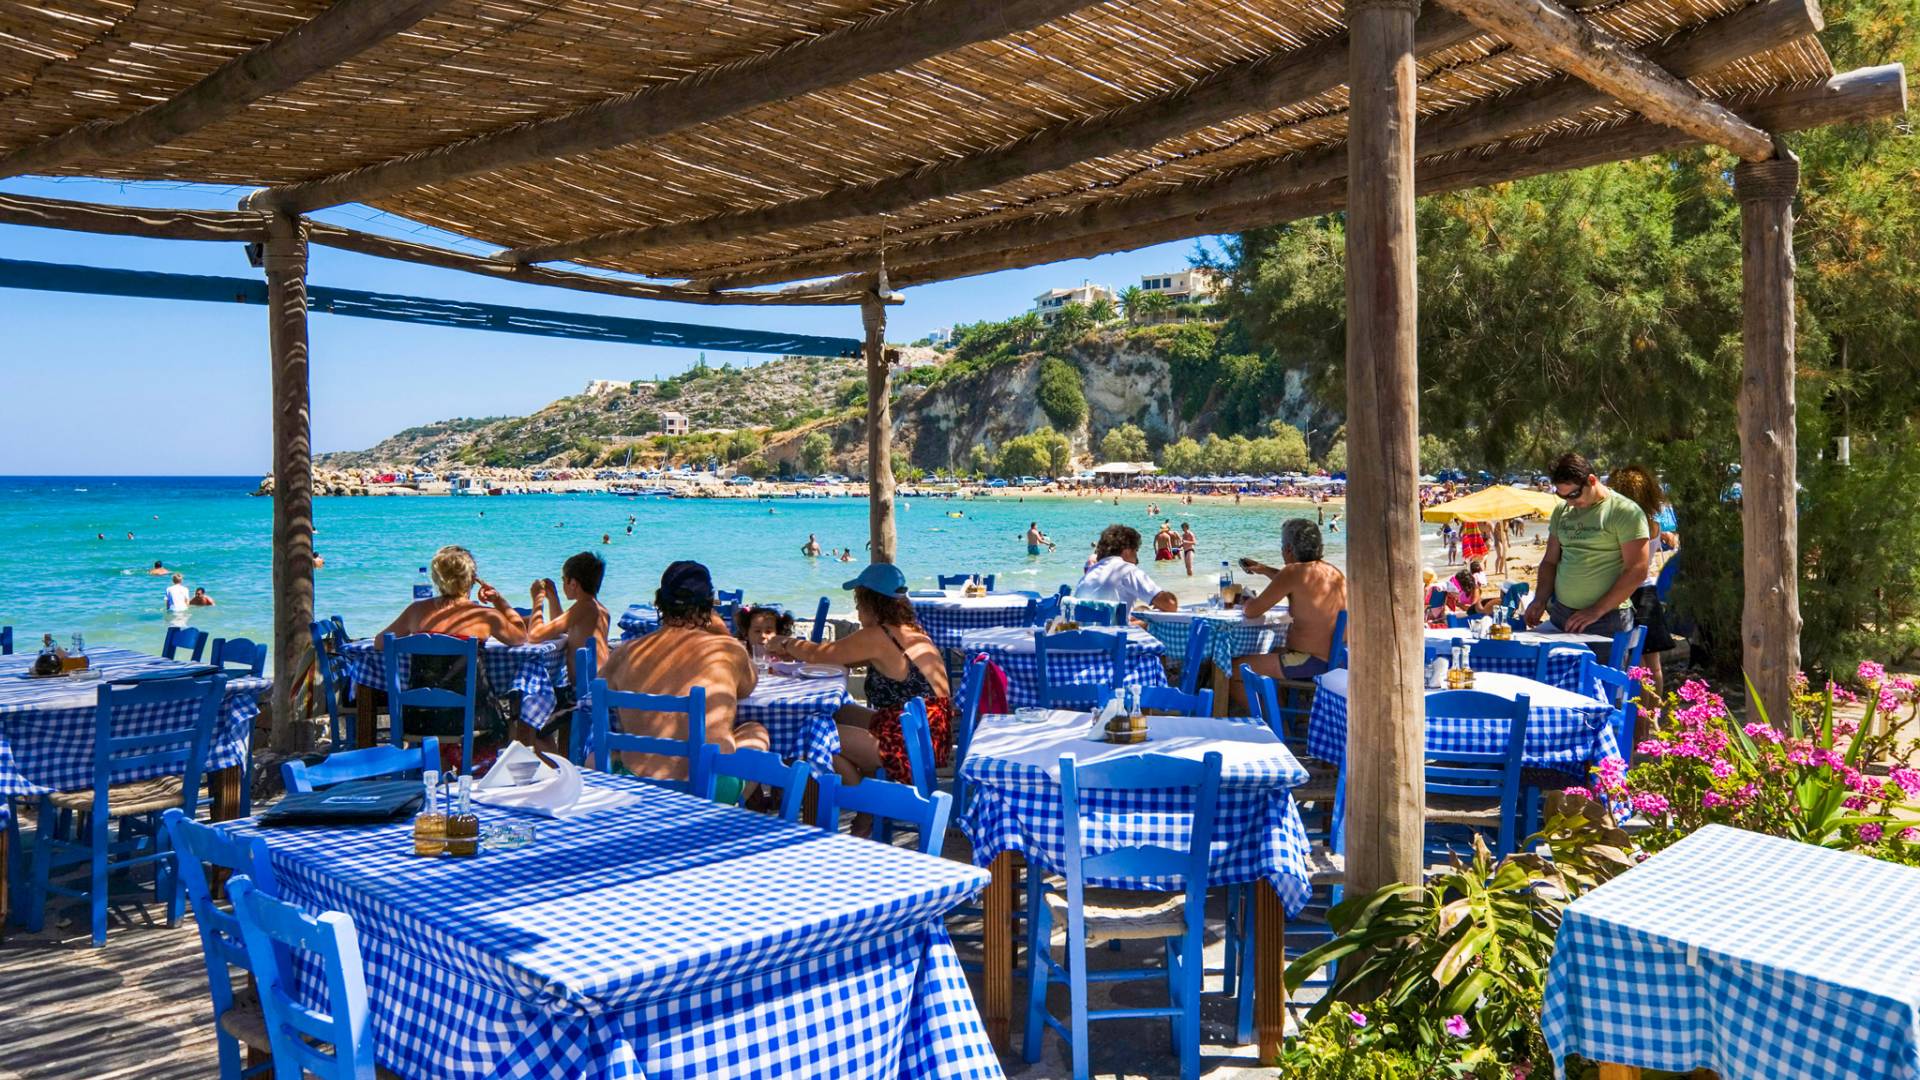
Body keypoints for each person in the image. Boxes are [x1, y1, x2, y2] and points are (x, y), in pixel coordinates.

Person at [772, 563, 952, 800]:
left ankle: (866, 805)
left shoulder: (877, 635)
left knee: (811, 735)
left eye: (858, 603)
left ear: (870, 603)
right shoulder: (909, 631)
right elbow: (842, 658)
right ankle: (866, 793)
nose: (857, 611)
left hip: (908, 745)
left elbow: (820, 654)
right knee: (838, 713)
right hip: (929, 736)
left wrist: (785, 643)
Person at [598, 561, 769, 780]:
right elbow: (747, 687)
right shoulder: (727, 650)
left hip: (637, 782)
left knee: (600, 755)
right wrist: (723, 633)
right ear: (708, 604)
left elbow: (600, 689)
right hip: (707, 786)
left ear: (660, 602)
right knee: (755, 731)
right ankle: (735, 801)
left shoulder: (626, 652)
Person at [1524, 453, 1650, 636]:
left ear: (1591, 480)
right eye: (1562, 496)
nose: (1570, 502)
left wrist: (1596, 610)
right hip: (1561, 614)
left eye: (1574, 494)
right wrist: (1540, 599)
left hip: (1607, 618)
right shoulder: (1562, 511)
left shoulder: (1624, 511)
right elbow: (1550, 561)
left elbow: (1638, 570)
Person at [1238, 519, 1349, 681]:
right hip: (1337, 659)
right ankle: (1274, 696)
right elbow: (1295, 583)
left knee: (1235, 668)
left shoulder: (1292, 572)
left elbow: (1251, 612)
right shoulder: (1332, 571)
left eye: (1282, 546)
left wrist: (1246, 598)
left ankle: (1267, 700)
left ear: (1289, 549)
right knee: (1272, 651)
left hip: (1312, 661)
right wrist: (1264, 569)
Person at [1607, 464, 1679, 697]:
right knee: (1653, 665)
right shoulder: (1653, 524)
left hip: (1626, 591)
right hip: (1648, 591)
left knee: (1633, 663)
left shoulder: (1624, 523)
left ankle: (1638, 713)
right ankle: (1653, 713)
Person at [377, 545, 529, 645]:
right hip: (471, 687)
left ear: (436, 579)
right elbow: (521, 637)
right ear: (473, 579)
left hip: (419, 687)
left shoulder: (415, 611)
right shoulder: (487, 616)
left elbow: (380, 643)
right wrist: (498, 600)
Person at [526, 550, 612, 688]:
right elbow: (562, 628)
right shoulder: (599, 609)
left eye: (563, 579)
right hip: (599, 683)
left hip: (585, 688)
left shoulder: (583, 607)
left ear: (573, 583)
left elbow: (534, 635)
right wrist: (553, 597)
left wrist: (537, 599)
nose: (563, 584)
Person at [1075, 525, 1179, 612]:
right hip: (1113, 630)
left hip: (1085, 630)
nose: (1137, 559)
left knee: (1141, 611)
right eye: (1136, 551)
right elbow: (1170, 604)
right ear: (1127, 551)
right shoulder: (1126, 570)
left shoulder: (1089, 573)